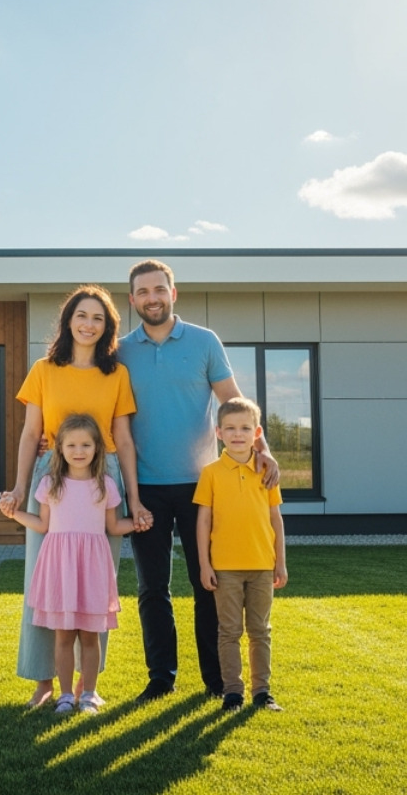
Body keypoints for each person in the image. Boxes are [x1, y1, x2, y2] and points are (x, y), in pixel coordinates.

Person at [119, 259, 277, 701]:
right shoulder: (120, 352)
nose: (152, 298)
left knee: (208, 584)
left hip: (202, 488)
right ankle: (160, 678)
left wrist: (264, 450)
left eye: (159, 289)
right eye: (143, 292)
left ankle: (216, 680)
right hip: (145, 487)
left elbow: (233, 403)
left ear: (173, 293)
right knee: (152, 589)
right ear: (132, 300)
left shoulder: (205, 342)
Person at [0, 285, 153, 708]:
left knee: (95, 587)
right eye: (82, 315)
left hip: (104, 478)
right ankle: (44, 681)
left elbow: (123, 438)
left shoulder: (116, 374)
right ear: (68, 321)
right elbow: (31, 433)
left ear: (108, 328)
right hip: (52, 477)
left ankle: (88, 687)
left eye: (98, 318)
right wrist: (19, 486)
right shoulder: (44, 369)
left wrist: (135, 499)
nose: (89, 324)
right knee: (44, 582)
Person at [2, 413, 136, 713]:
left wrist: (139, 522)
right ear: (59, 448)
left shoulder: (105, 485)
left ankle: (88, 694)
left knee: (90, 635)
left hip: (92, 570)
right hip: (61, 569)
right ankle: (64, 695)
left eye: (86, 445)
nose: (79, 451)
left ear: (97, 448)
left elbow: (114, 527)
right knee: (62, 636)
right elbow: (42, 525)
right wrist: (14, 514)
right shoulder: (50, 484)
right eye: (72, 445)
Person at [195, 397, 287, 712]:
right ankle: (233, 692)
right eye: (231, 428)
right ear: (218, 432)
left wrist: (280, 563)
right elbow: (203, 522)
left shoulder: (266, 471)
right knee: (229, 632)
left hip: (262, 566)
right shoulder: (211, 473)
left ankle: (263, 692)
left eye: (245, 428)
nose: (238, 434)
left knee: (260, 631)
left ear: (257, 433)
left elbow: (276, 520)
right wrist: (205, 565)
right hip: (225, 569)